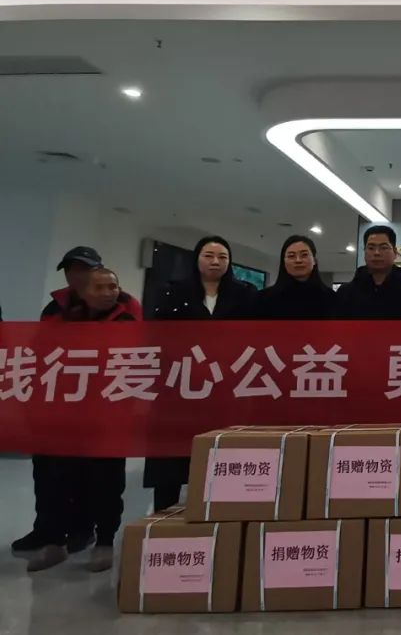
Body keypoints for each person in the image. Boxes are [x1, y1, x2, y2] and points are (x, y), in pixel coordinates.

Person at [30, 267, 140, 573]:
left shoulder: (127, 322)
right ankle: (54, 543)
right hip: (64, 417)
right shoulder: (63, 320)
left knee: (105, 483)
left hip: (107, 419)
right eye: (99, 287)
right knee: (55, 482)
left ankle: (104, 542)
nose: (107, 293)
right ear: (84, 291)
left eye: (112, 287)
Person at [144, 236, 257, 512]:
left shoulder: (246, 293)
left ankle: (221, 516)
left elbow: (256, 337)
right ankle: (164, 521)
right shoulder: (172, 291)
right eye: (209, 255)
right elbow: (158, 334)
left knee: (222, 456)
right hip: (181, 387)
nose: (215, 262)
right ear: (196, 258)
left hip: (227, 387)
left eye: (222, 257)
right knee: (172, 460)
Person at [11, 246, 103, 561]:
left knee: (83, 470)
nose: (76, 275)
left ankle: (82, 529)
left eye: (83, 269)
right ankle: (47, 529)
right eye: (71, 269)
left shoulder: (108, 305)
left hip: (89, 402)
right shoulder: (54, 307)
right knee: (47, 469)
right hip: (52, 400)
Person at [336, 225, 401, 320]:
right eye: (371, 248)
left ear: (395, 252)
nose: (377, 253)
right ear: (364, 252)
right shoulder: (346, 292)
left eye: (384, 247)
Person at [254, 235, 337, 319]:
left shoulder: (332, 299)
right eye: (291, 256)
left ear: (314, 261)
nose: (298, 260)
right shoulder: (262, 299)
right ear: (283, 262)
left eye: (304, 255)